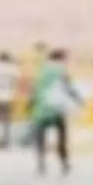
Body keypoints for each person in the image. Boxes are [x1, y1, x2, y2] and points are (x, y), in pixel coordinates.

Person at [28, 47, 84, 177]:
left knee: (40, 137)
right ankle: (64, 163)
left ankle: (41, 162)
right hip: (56, 108)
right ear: (61, 58)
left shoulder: (41, 70)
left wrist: (31, 104)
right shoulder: (61, 70)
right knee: (61, 136)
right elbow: (68, 88)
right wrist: (78, 99)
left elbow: (34, 88)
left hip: (41, 107)